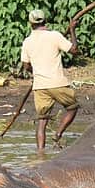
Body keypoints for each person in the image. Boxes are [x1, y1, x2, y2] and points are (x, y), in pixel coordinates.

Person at [20, 9, 79, 150]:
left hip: (40, 85)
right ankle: (58, 134)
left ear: (30, 23)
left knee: (42, 121)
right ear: (45, 20)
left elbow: (26, 66)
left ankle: (40, 152)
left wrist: (36, 73)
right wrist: (72, 30)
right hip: (57, 82)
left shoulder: (27, 41)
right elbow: (74, 50)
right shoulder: (54, 36)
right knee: (73, 108)